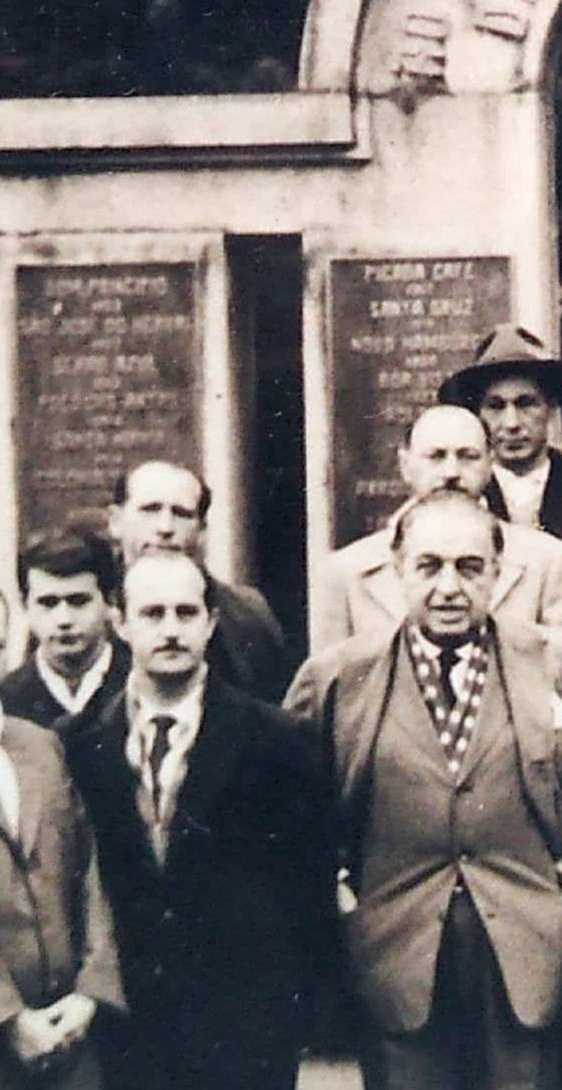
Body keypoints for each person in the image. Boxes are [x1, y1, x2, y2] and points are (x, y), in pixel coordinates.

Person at [285, 491, 562, 1090]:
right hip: (393, 953)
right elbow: (291, 812)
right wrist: (340, 896)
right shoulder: (337, 679)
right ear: (396, 570)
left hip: (528, 951)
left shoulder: (561, 667)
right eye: (429, 566)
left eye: (469, 567)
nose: (449, 586)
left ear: (497, 575)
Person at [63, 552, 331, 1090]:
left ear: (210, 623)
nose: (171, 631)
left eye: (186, 613)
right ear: (119, 623)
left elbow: (309, 889)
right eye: (153, 614)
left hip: (244, 1033)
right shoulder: (80, 743)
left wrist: (289, 1015)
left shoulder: (278, 740)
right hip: (127, 1031)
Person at [311, 404, 562, 652]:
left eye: (468, 457)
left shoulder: (547, 562)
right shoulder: (344, 574)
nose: (451, 471)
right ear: (405, 466)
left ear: (489, 465)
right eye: (436, 457)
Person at [438, 324, 562, 576]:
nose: (511, 423)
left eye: (526, 404)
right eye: (496, 406)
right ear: (478, 414)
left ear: (551, 408)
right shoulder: (461, 483)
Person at [0, 700, 123, 1090]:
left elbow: (90, 870)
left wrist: (92, 990)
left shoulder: (42, 745)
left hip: (71, 1036)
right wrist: (9, 1018)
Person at [108, 460, 287, 701]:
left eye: (182, 514)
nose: (165, 527)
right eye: (150, 510)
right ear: (116, 521)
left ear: (202, 529)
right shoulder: (80, 604)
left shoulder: (246, 614)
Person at [2, 525, 128, 729]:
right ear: (26, 607)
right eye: (48, 603)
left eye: (78, 601)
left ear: (108, 602)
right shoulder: (7, 700)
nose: (64, 620)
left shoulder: (139, 683)